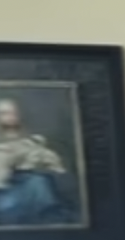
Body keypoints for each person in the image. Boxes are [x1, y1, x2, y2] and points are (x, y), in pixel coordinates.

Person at [0, 95, 79, 226]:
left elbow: (57, 168)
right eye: (4, 113)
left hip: (30, 187)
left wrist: (43, 162)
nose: (11, 116)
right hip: (6, 195)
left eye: (14, 112)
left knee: (39, 183)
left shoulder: (33, 140)